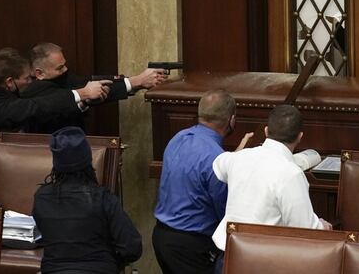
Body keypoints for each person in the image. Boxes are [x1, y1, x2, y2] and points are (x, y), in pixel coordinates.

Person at [212, 105, 332, 271]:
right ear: (300, 137)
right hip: (262, 264)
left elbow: (217, 164)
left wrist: (238, 155)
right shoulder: (292, 174)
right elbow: (304, 229)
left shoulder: (239, 158)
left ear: (266, 131)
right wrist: (322, 227)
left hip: (227, 259)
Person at [152, 89, 253, 274]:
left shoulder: (178, 138)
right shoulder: (216, 158)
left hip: (161, 238)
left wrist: (230, 161)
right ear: (231, 120)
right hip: (192, 247)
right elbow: (224, 210)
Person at [32, 126, 142, 274]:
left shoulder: (41, 198)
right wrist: (112, 262)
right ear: (88, 161)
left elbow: (41, 236)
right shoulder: (104, 198)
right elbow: (132, 247)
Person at [22, 42, 167, 133]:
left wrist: (135, 81)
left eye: (65, 64)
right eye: (60, 68)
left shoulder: (62, 78)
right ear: (39, 73)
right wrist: (137, 81)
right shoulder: (36, 91)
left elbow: (89, 84)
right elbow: (77, 93)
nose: (65, 70)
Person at [0, 47, 109, 132]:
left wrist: (82, 102)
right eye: (27, 78)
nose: (31, 81)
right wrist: (82, 93)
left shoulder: (3, 94)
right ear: (9, 82)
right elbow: (37, 107)